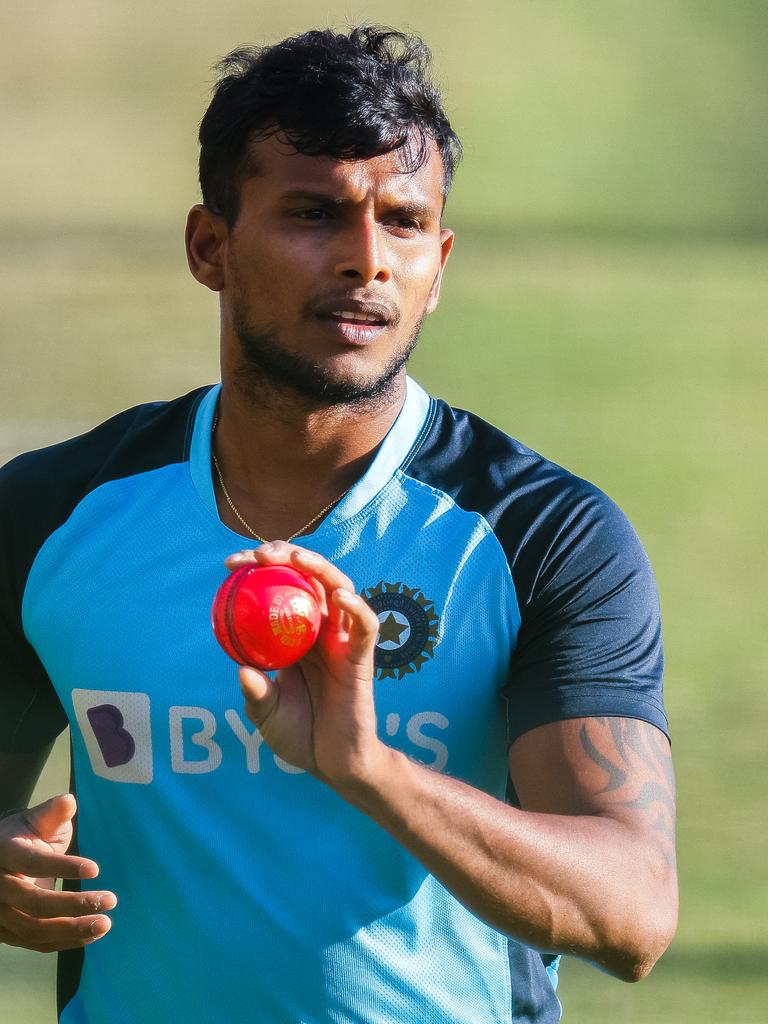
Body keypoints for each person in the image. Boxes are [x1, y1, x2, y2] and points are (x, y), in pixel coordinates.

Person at [0, 25, 677, 1023]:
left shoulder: (544, 535)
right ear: (210, 246)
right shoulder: (53, 513)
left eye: (403, 223)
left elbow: (632, 913)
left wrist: (367, 767)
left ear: (438, 265)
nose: (367, 261)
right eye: (314, 214)